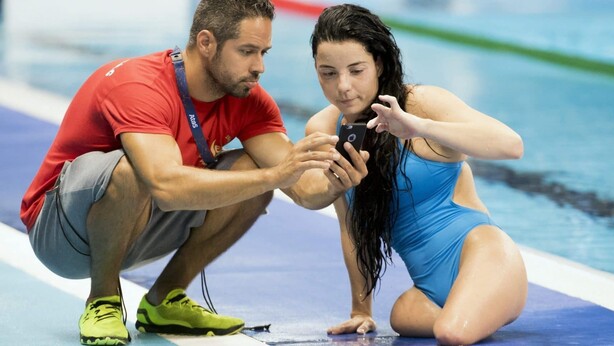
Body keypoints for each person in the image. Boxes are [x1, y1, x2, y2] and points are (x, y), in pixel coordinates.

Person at [19, 0, 366, 344]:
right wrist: (276, 176)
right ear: (206, 43)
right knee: (132, 172)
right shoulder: (140, 85)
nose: (259, 66)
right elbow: (164, 184)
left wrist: (339, 179)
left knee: (253, 171)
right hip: (61, 235)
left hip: (139, 228)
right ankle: (104, 301)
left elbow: (304, 190)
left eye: (264, 52)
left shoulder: (250, 100)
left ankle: (164, 300)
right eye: (247, 51)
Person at [306, 4, 528, 345]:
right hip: (426, 290)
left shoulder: (419, 103)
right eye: (328, 73)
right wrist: (360, 310)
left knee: (452, 333)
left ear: (378, 64)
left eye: (356, 70)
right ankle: (475, 309)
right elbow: (350, 227)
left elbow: (510, 145)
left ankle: (484, 304)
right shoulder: (323, 129)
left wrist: (417, 127)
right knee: (400, 318)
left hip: (484, 254)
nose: (343, 86)